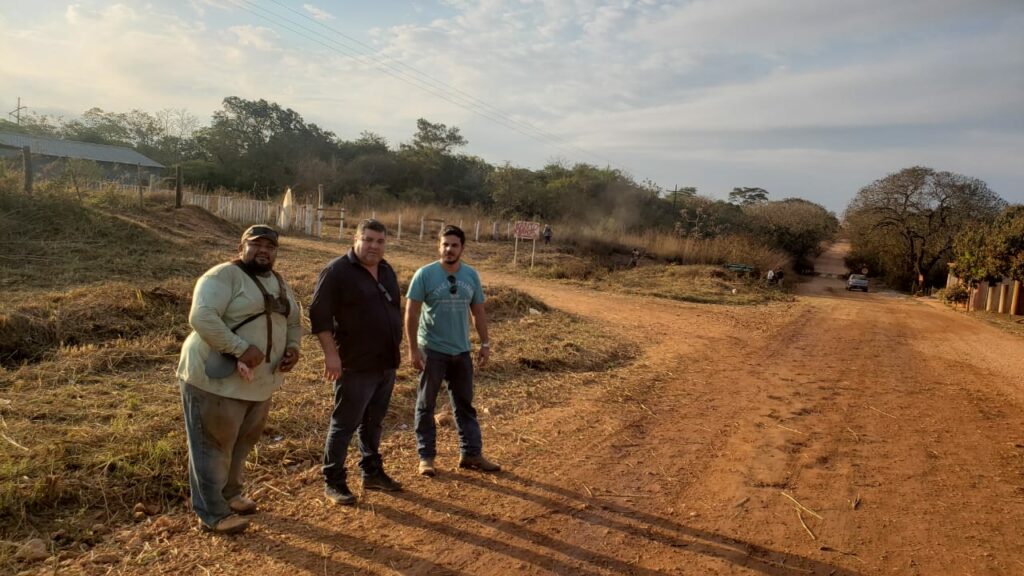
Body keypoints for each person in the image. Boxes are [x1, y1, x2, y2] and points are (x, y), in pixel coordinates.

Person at [176, 224, 302, 534]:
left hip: (258, 384)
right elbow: (201, 317)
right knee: (212, 445)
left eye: (270, 246)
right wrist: (241, 348)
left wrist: (293, 348)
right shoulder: (222, 277)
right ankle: (213, 513)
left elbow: (295, 321)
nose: (263, 250)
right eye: (256, 244)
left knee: (242, 443)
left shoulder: (279, 283)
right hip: (214, 379)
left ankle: (230, 496)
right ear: (240, 247)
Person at [309, 219, 403, 505]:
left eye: (380, 241)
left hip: (385, 362)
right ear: (355, 239)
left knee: (374, 422)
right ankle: (333, 481)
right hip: (354, 363)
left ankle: (371, 472)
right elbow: (318, 315)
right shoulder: (337, 271)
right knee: (344, 424)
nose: (374, 246)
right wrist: (331, 354)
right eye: (369, 239)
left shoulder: (386, 270)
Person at [406, 225, 500, 477]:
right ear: (439, 246)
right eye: (445, 244)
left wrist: (485, 344)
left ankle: (471, 453)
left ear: (462, 248)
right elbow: (411, 312)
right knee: (426, 405)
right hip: (432, 351)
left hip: (461, 352)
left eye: (454, 245)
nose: (449, 249)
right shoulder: (424, 274)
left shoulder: (471, 276)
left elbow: (478, 312)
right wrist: (413, 349)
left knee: (464, 405)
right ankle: (426, 458)